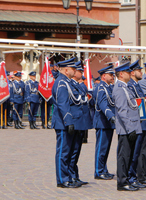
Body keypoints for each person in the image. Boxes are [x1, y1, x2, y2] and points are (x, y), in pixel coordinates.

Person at [52, 57, 82, 188]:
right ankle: (62, 179)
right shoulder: (61, 83)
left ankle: (68, 177)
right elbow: (63, 104)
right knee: (63, 153)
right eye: (73, 69)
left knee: (69, 152)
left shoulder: (67, 82)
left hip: (69, 122)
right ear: (66, 70)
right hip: (63, 123)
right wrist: (68, 121)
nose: (75, 71)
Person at [112, 62, 142, 191]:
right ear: (121, 74)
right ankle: (122, 182)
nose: (130, 74)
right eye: (128, 72)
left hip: (131, 127)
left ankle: (127, 180)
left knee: (129, 155)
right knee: (124, 156)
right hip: (126, 129)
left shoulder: (126, 87)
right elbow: (122, 111)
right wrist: (130, 129)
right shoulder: (119, 88)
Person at [127, 59, 146, 189]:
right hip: (135, 122)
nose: (141, 72)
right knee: (133, 152)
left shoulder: (136, 85)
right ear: (133, 73)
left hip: (141, 121)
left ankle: (133, 176)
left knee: (137, 152)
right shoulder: (130, 85)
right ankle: (130, 177)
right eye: (139, 70)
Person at [68, 62, 90, 186]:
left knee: (77, 150)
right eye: (79, 71)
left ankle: (75, 175)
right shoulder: (70, 85)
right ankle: (71, 175)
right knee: (72, 150)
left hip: (81, 121)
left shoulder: (80, 86)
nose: (81, 73)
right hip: (76, 121)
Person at [93, 64, 115, 180]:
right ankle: (98, 171)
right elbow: (102, 104)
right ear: (104, 76)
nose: (113, 77)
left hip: (109, 123)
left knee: (106, 148)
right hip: (102, 122)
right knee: (101, 148)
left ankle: (104, 169)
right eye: (110, 75)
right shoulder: (101, 88)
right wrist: (111, 116)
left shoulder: (109, 87)